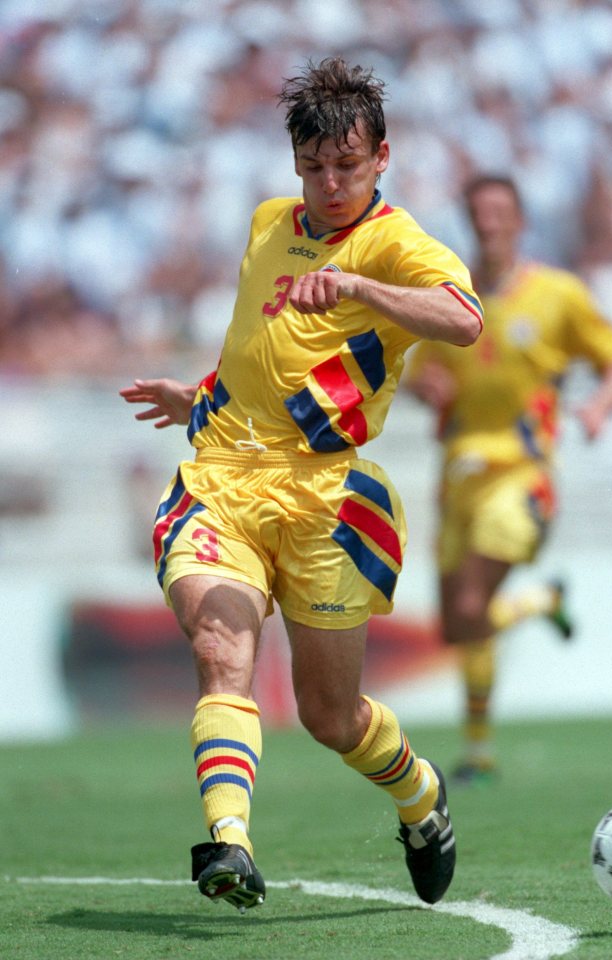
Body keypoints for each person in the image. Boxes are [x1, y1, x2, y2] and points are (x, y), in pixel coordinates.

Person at [120, 57, 483, 912]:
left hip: (322, 500)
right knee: (222, 654)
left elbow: (464, 321)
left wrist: (362, 285)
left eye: (347, 167)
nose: (329, 183)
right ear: (294, 163)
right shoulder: (266, 224)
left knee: (331, 717)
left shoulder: (395, 242)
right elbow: (255, 348)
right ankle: (229, 844)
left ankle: (420, 800)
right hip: (221, 479)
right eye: (314, 166)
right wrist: (198, 395)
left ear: (381, 158)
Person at [404, 174, 612, 786]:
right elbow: (419, 376)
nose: (489, 224)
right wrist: (426, 390)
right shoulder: (446, 300)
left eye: (500, 212)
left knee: (474, 604)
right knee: (456, 625)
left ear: (519, 221)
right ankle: (542, 601)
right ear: (467, 221)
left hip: (521, 474)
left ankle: (478, 751)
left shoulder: (557, 294)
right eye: (478, 213)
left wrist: (598, 408)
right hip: (457, 477)